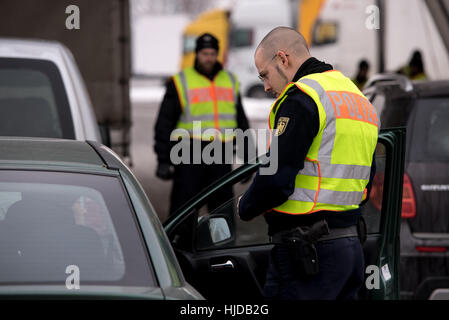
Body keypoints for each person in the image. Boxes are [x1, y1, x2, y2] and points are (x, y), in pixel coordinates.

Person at [238, 27, 378, 300]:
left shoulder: (303, 98)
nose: (266, 86)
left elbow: (276, 179)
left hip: (309, 254)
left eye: (264, 74)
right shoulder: (358, 99)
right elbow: (366, 179)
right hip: (350, 250)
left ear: (283, 59)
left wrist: (245, 205)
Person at [154, 33, 251, 216]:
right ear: (197, 54)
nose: (209, 58)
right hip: (188, 153)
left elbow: (241, 122)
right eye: (205, 53)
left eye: (212, 53)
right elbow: (164, 122)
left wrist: (248, 157)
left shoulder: (230, 80)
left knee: (222, 211)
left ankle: (222, 245)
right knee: (184, 210)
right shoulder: (180, 81)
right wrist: (163, 159)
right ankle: (180, 245)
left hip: (221, 154)